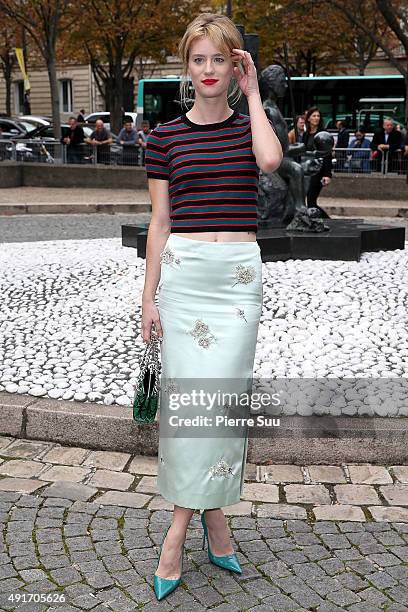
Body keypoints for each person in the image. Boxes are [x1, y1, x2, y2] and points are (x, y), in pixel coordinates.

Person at [143, 12, 282, 602]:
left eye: (219, 60)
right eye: (198, 60)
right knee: (188, 407)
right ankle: (200, 524)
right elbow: (159, 222)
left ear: (234, 66)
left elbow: (271, 162)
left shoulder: (248, 125)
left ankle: (198, 521)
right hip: (185, 279)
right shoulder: (164, 138)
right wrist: (147, 297)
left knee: (221, 404)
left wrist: (252, 97)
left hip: (237, 282)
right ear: (186, 67)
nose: (208, 70)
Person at [302, 106, 332, 217]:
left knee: (311, 202)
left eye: (318, 116)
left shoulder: (323, 134)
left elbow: (327, 154)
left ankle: (328, 220)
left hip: (318, 171)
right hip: (308, 171)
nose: (316, 118)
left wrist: (327, 174)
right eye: (314, 116)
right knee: (310, 202)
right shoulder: (306, 135)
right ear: (308, 118)